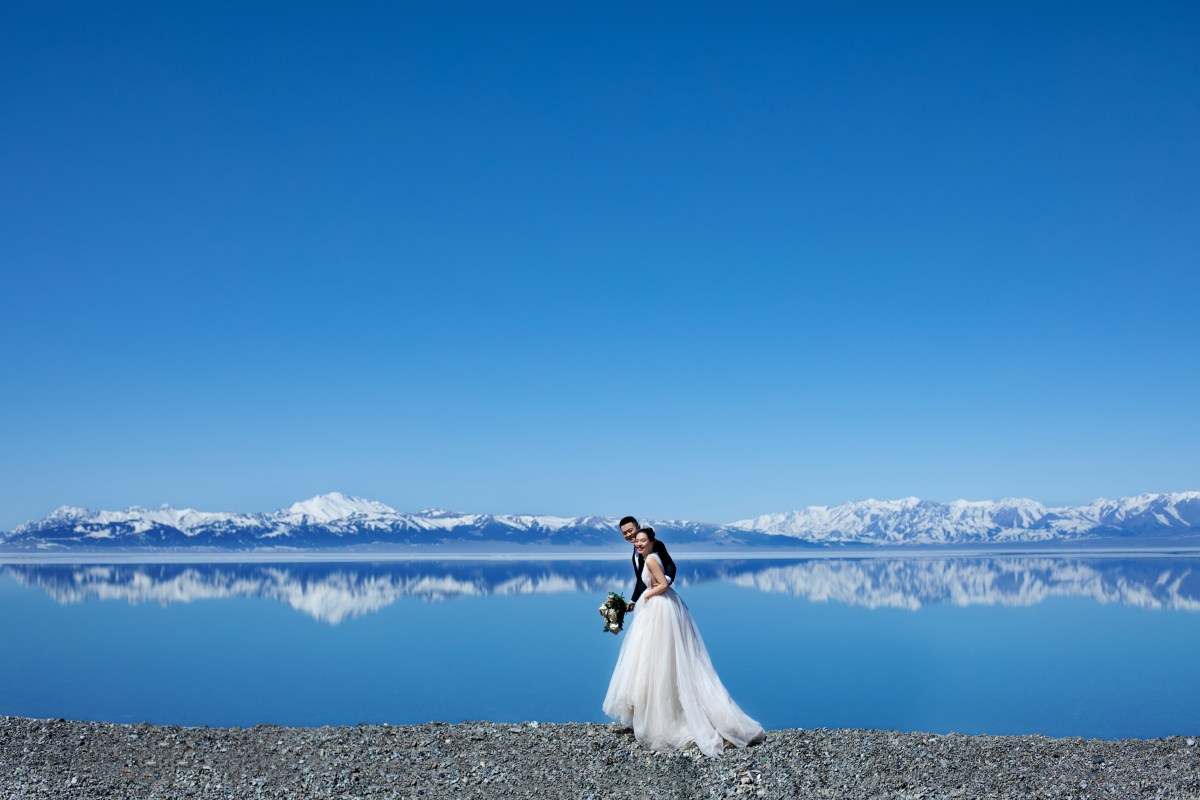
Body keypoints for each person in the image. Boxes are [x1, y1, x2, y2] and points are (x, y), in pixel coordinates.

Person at [603, 527, 764, 757]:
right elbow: (644, 582)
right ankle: (652, 712)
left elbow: (664, 583)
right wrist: (633, 600)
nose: (636, 543)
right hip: (658, 606)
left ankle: (665, 718)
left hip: (660, 609)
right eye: (633, 540)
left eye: (641, 540)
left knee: (659, 658)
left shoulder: (652, 558)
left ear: (651, 541)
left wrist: (647, 595)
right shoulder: (643, 557)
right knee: (652, 659)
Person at [618, 516, 676, 611]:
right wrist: (633, 601)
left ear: (638, 527)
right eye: (624, 533)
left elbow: (669, 564)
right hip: (647, 602)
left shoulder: (654, 544)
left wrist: (665, 580)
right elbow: (640, 579)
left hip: (659, 600)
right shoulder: (636, 550)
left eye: (630, 530)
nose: (628, 534)